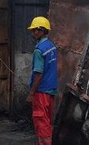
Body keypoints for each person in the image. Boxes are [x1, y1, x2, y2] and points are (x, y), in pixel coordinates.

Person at [26, 16, 58, 145]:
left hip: (41, 92)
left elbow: (38, 74)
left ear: (41, 31)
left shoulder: (39, 50)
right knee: (47, 120)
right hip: (51, 90)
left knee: (41, 121)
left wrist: (31, 93)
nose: (32, 33)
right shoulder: (51, 46)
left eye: (34, 30)